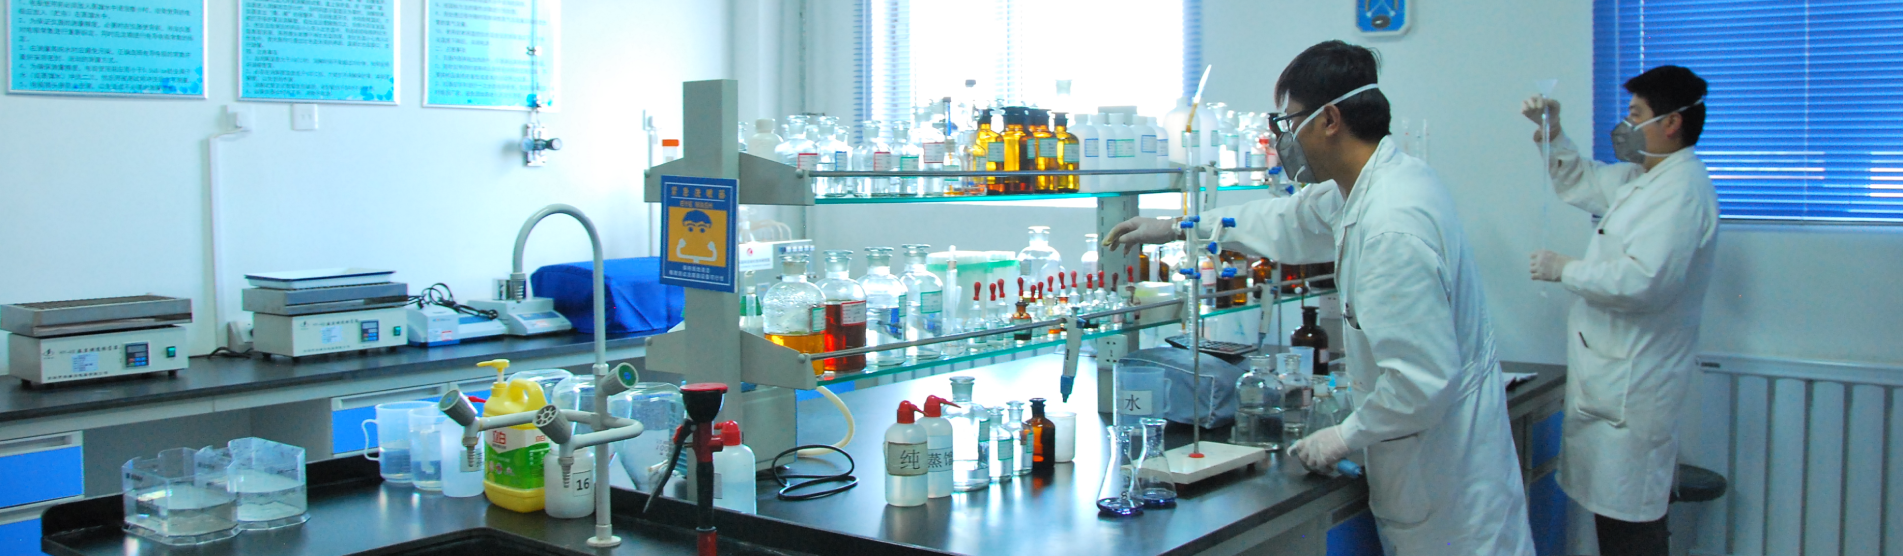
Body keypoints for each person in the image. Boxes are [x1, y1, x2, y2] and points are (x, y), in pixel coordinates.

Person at [1107, 40, 1534, 555]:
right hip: (1436, 476)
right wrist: (1180, 226)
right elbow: (1287, 219)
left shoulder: (1390, 229)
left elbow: (1422, 381)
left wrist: (1343, 436)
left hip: (1449, 496)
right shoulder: (1377, 183)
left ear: (1330, 119)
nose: (1283, 139)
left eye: (1289, 122)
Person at [1523, 65, 1718, 556]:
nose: (1625, 125)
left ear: (1671, 122)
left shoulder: (1680, 191)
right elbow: (1581, 180)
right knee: (1616, 523)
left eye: (1635, 114)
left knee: (1632, 529)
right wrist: (1553, 132)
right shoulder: (1643, 178)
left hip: (1635, 389)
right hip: (1613, 383)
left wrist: (1565, 269)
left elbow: (1644, 283)